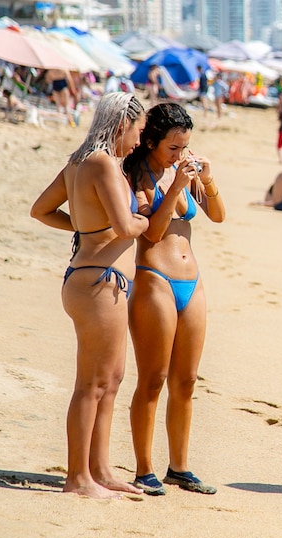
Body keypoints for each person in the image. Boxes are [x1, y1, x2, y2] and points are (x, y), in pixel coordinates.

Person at [29, 92, 149, 499]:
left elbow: (41, 211)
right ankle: (77, 478)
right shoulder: (101, 163)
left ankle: (100, 469)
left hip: (91, 278)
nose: (138, 142)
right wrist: (144, 216)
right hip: (99, 284)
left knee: (111, 379)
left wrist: (86, 231)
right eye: (137, 132)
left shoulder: (78, 163)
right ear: (121, 125)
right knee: (91, 384)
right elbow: (127, 227)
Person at [122, 103, 226, 497]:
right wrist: (178, 187)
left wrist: (208, 180)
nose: (180, 155)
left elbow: (217, 215)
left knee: (186, 380)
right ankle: (144, 469)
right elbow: (150, 233)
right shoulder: (138, 174)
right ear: (150, 141)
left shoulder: (182, 171)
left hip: (191, 282)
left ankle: (179, 467)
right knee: (153, 379)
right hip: (154, 280)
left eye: (185, 147)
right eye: (173, 147)